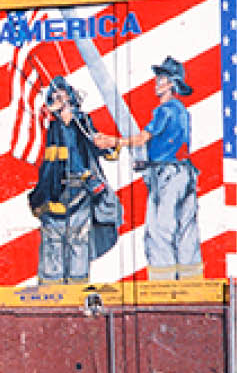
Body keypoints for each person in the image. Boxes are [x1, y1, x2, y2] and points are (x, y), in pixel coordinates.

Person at [96, 56, 201, 280]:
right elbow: (172, 143)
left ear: (171, 83)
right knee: (186, 231)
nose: (156, 82)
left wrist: (113, 142)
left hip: (167, 176)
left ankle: (163, 286)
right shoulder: (182, 110)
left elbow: (143, 138)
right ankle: (191, 284)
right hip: (186, 173)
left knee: (159, 230)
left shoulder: (165, 110)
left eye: (161, 78)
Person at [28, 77, 117, 285]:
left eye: (62, 94)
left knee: (78, 245)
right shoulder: (47, 127)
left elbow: (94, 143)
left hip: (80, 192)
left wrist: (109, 147)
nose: (58, 98)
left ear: (70, 97)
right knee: (53, 245)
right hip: (53, 194)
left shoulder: (82, 121)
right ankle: (51, 298)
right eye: (54, 95)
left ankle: (77, 293)